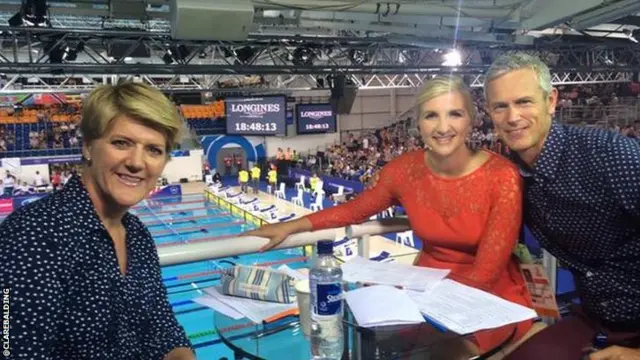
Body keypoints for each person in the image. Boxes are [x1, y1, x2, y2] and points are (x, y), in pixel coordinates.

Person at [249, 76, 540, 357]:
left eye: (455, 114)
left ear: (472, 120)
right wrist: (291, 226)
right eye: (431, 116)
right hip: (423, 283)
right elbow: (355, 210)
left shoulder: (502, 177)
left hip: (487, 292)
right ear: (418, 124)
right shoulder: (404, 170)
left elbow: (486, 273)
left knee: (439, 352)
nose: (442, 127)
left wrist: (423, 312)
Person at [0, 82, 195, 360]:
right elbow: (12, 350)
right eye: (121, 143)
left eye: (154, 150)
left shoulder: (138, 236)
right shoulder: (33, 236)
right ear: (89, 146)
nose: (137, 163)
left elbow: (161, 327)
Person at [482, 53, 640, 359]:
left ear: (551, 101)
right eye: (501, 106)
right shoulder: (508, 176)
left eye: (524, 102)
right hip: (595, 319)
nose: (513, 117)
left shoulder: (610, 155)